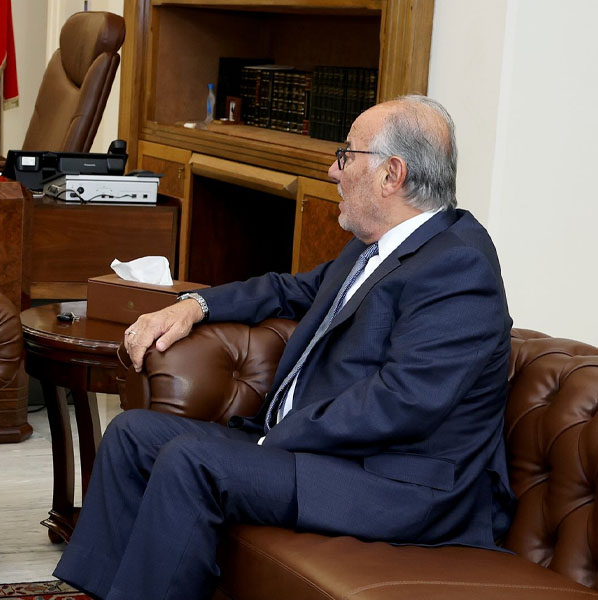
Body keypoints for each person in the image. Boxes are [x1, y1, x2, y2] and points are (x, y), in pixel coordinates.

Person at [53, 95, 515, 600]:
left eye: (346, 155)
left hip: (395, 485)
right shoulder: (377, 248)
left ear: (392, 174)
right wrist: (193, 306)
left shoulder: (459, 266)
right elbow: (288, 289)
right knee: (132, 435)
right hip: (326, 456)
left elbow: (404, 401)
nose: (333, 170)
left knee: (193, 461)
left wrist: (281, 437)